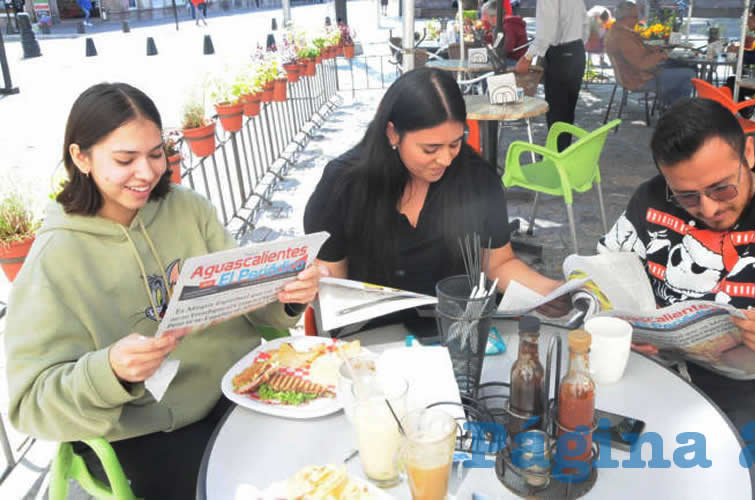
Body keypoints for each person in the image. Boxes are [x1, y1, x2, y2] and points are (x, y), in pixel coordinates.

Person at [3, 83, 323, 499]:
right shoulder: (53, 259)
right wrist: (110, 371)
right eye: (125, 159)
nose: (148, 173)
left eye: (156, 154)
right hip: (143, 428)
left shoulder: (187, 207)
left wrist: (289, 292)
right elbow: (30, 404)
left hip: (239, 387)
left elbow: (249, 303)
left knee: (323, 459)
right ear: (80, 157)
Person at [599, 98, 755, 486]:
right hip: (649, 368)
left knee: (713, 482)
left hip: (750, 394)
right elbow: (606, 274)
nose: (709, 208)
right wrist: (622, 325)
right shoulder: (651, 199)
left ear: (748, 153)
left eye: (722, 188)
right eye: (687, 196)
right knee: (578, 444)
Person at [303, 68, 565, 326]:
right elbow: (333, 284)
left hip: (459, 332)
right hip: (371, 340)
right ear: (393, 133)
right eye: (430, 149)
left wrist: (552, 290)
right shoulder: (344, 184)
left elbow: (498, 264)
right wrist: (312, 281)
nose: (445, 159)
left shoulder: (476, 178)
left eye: (455, 143)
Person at [516, 0, 587, 152]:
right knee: (567, 110)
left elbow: (547, 32)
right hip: (577, 51)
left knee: (557, 111)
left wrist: (528, 57)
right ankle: (562, 152)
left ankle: (556, 155)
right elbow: (585, 23)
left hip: (561, 53)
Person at [604, 2, 695, 109]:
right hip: (638, 80)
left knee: (675, 66)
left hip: (631, 76)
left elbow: (636, 52)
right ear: (624, 18)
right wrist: (660, 55)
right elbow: (642, 64)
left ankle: (668, 105)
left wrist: (654, 49)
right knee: (689, 73)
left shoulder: (617, 31)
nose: (637, 20)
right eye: (635, 17)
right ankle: (675, 109)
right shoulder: (624, 37)